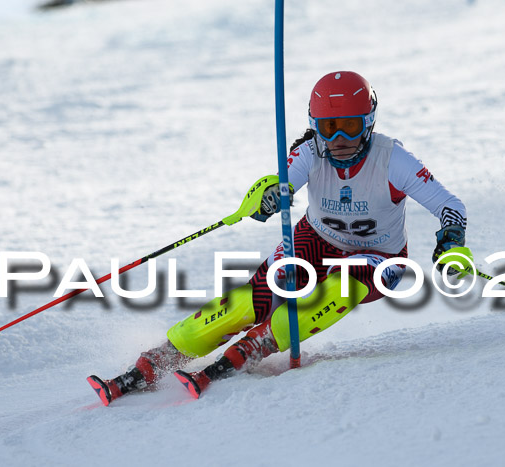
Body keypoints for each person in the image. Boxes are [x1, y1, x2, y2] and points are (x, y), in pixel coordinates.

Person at [87, 71, 468, 405]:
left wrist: (450, 241)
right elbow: (279, 188)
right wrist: (268, 200)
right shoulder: (308, 153)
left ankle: (256, 346)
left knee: (334, 292)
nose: (337, 139)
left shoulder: (393, 159)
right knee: (252, 300)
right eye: (327, 126)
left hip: (378, 257)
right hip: (318, 238)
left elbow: (450, 205)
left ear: (368, 121)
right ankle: (162, 358)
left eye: (349, 126)